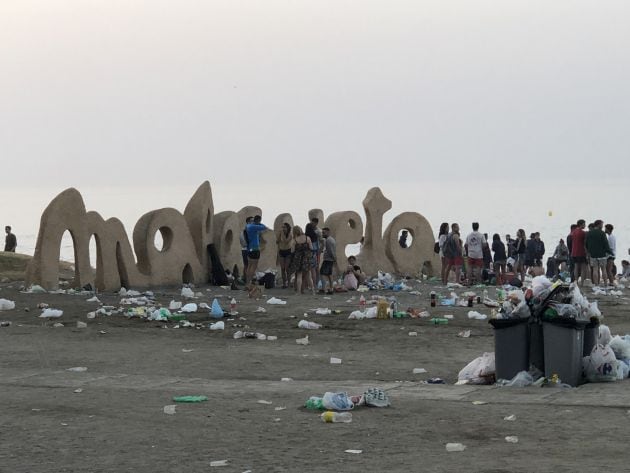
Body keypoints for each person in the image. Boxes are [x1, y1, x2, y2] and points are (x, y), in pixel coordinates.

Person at [288, 226, 314, 295]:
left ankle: (298, 291)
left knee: (299, 275)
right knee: (309, 275)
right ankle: (313, 291)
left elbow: (292, 251)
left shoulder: (294, 240)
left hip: (298, 259)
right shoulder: (307, 238)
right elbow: (311, 248)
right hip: (306, 259)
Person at [585, 219, 612, 286]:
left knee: (595, 270)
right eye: (602, 224)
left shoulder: (589, 233)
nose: (602, 226)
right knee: (603, 269)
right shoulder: (602, 233)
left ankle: (596, 285)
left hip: (593, 255)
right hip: (602, 254)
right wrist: (609, 252)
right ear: (599, 224)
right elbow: (606, 244)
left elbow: (586, 244)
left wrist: (589, 252)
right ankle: (605, 284)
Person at [245, 215, 268, 287]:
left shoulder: (248, 226)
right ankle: (249, 283)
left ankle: (247, 283)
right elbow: (264, 227)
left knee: (249, 266)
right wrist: (258, 223)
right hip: (255, 249)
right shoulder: (253, 226)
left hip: (249, 248)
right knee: (253, 267)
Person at [276, 222, 294, 288]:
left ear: (288, 228)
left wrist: (282, 234)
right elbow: (277, 241)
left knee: (287, 268)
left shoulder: (290, 234)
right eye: (282, 227)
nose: (283, 228)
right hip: (281, 251)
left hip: (288, 252)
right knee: (282, 268)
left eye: (284, 227)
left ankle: (288, 282)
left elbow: (285, 241)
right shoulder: (280, 233)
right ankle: (284, 283)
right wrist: (279, 235)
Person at [319, 227, 336, 294]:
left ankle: (324, 289)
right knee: (329, 274)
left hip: (328, 260)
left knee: (322, 273)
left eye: (324, 233)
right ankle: (331, 289)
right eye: (322, 233)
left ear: (328, 232)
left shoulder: (329, 240)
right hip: (330, 259)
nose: (322, 234)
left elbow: (330, 251)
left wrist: (334, 258)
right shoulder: (330, 239)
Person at [571, 219, 588, 285]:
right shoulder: (582, 233)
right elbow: (585, 243)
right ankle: (582, 282)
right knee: (583, 267)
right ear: (581, 224)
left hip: (574, 252)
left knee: (576, 266)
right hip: (581, 252)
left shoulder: (574, 232)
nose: (585, 225)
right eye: (584, 224)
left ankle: (576, 281)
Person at [305, 219, 321, 289]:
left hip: (308, 254)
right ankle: (314, 285)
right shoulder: (316, 234)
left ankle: (309, 285)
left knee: (308, 270)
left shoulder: (306, 237)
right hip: (315, 253)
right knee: (314, 269)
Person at [239, 217, 253, 281]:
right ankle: (247, 279)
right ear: (247, 222)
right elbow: (243, 242)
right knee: (247, 265)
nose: (253, 222)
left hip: (252, 249)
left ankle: (248, 279)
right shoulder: (244, 232)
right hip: (246, 250)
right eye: (251, 221)